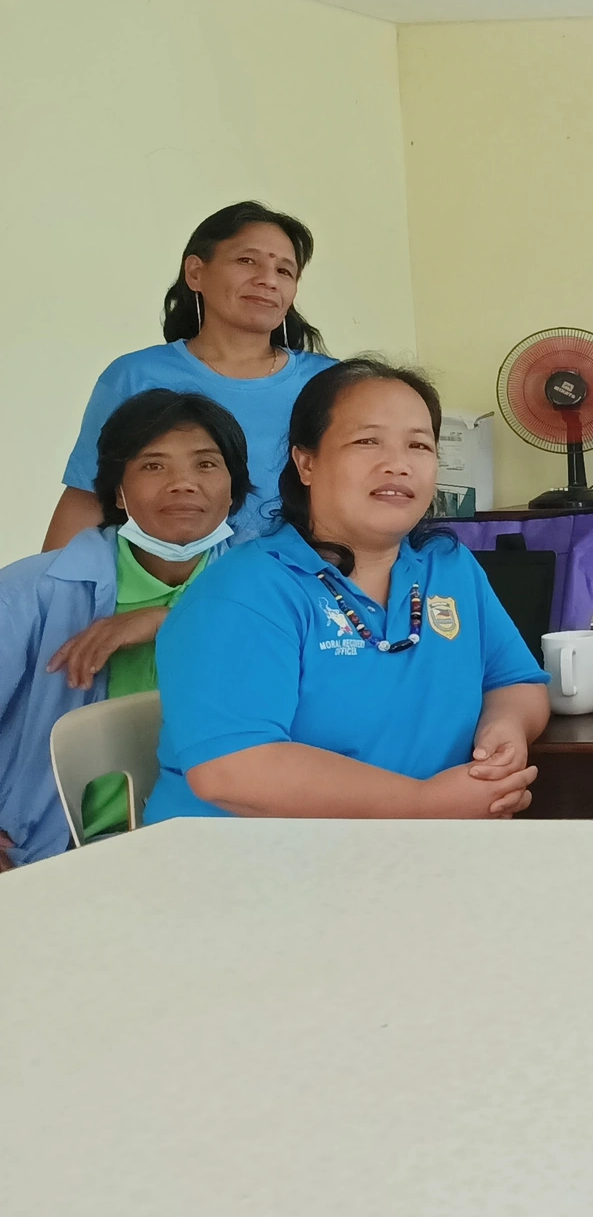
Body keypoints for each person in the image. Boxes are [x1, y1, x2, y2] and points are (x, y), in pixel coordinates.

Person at [144, 360, 548, 823]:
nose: (398, 464)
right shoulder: (243, 592)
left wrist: (504, 730)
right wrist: (425, 804)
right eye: (367, 441)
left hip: (414, 849)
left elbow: (514, 681)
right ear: (306, 462)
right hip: (243, 860)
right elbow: (231, 771)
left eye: (419, 445)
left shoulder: (449, 568)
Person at [0, 391, 249, 865]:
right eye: (154, 466)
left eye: (206, 464)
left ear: (234, 488)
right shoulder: (28, 592)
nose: (183, 484)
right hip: (56, 855)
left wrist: (168, 621)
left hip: (221, 847)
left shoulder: (270, 589)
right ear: (118, 492)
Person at [46, 201, 335, 550]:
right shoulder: (134, 376)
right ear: (195, 272)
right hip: (164, 578)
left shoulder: (331, 384)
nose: (268, 280)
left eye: (285, 271)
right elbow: (87, 499)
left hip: (298, 578)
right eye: (247, 261)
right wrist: (52, 584)